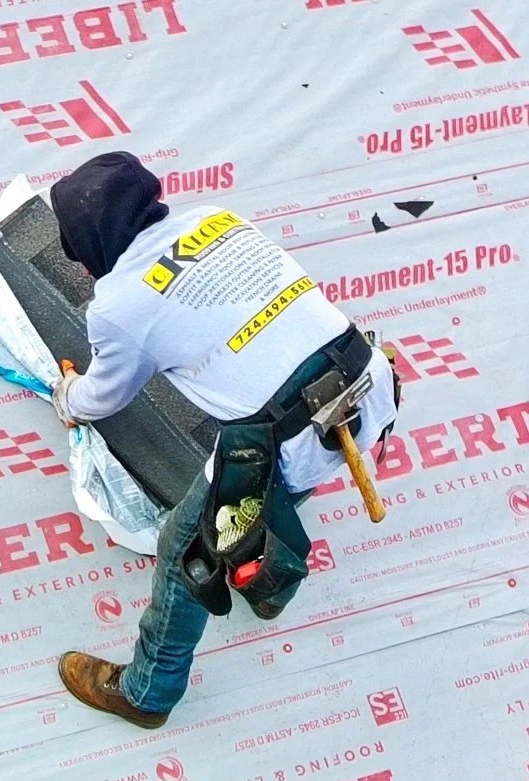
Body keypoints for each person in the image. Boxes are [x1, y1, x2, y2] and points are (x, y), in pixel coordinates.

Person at [47, 150, 401, 728]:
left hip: (285, 439)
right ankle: (258, 549)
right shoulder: (217, 218)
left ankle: (146, 693)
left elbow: (104, 398)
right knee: (273, 473)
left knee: (186, 550)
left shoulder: (119, 307)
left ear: (91, 247)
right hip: (367, 384)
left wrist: (67, 396)